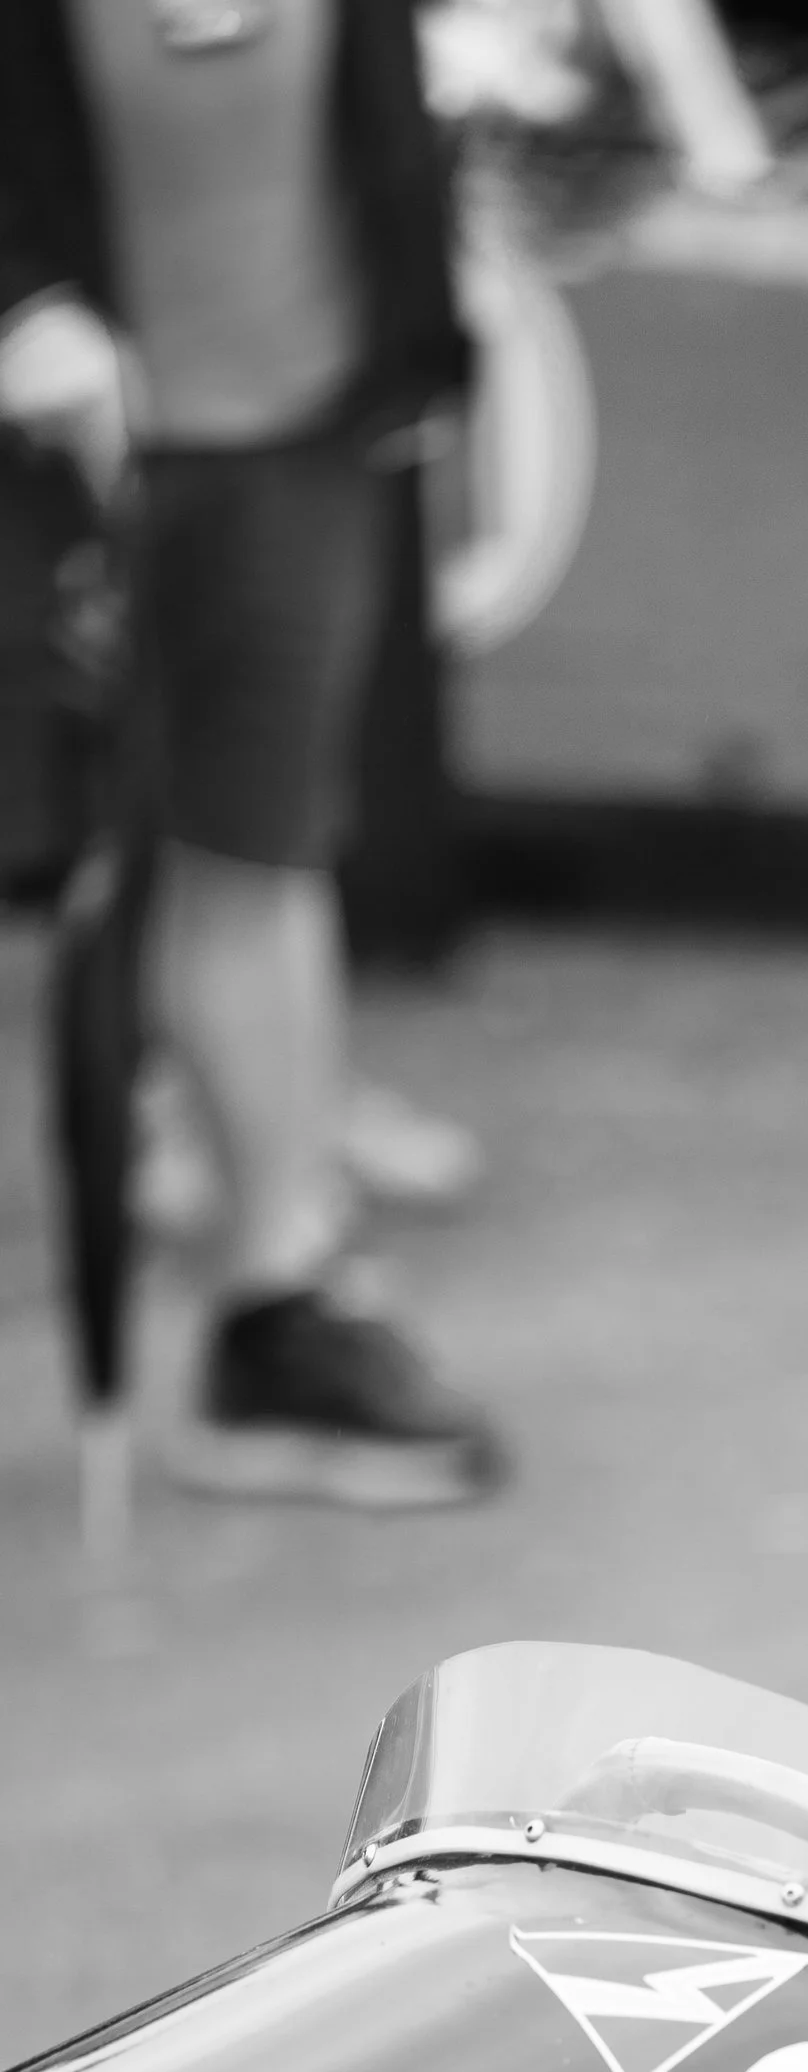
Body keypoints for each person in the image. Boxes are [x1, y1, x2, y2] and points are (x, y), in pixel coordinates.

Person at [0, 0, 503, 1507]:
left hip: (299, 437)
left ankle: (280, 1298)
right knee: (83, 876)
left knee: (262, 851)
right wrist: (18, 298)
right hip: (52, 459)